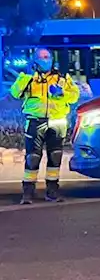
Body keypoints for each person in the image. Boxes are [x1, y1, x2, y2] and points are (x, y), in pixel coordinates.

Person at [8, 48, 80, 205]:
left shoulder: (62, 78)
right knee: (32, 158)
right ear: (35, 60)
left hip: (57, 121)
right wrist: (25, 77)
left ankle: (52, 190)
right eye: (42, 58)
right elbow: (14, 93)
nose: (46, 60)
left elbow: (75, 96)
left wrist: (62, 94)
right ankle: (28, 192)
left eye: (47, 57)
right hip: (35, 121)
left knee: (55, 156)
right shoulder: (28, 77)